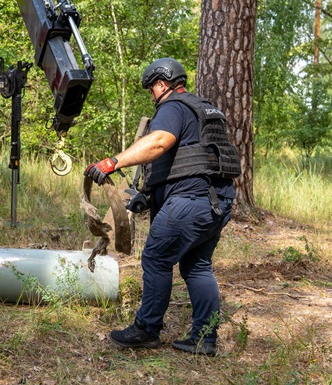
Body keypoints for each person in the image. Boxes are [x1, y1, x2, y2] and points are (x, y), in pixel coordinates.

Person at [84, 57, 240, 355]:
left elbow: (158, 142)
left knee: (156, 258)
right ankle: (204, 338)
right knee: (197, 266)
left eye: (151, 90)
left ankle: (146, 329)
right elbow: (191, 162)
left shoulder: (173, 107)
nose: (152, 96)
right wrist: (149, 194)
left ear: (161, 83)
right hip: (216, 203)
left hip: (191, 202)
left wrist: (112, 162)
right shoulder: (202, 109)